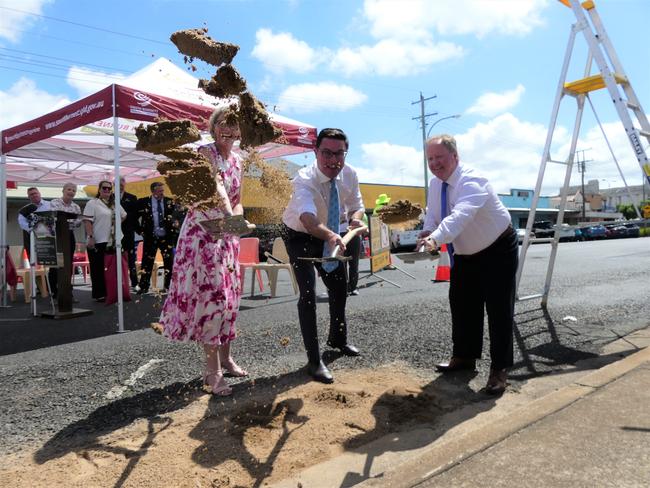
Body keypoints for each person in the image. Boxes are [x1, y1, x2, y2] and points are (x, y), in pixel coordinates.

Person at [416, 134, 518, 395]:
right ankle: (464, 357)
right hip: (464, 253)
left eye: (439, 157)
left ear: (455, 156)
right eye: (430, 158)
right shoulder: (435, 184)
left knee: (498, 309)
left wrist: (436, 238)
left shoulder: (472, 179)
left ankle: (499, 369)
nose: (434, 163)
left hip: (497, 248)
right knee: (462, 305)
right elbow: (434, 215)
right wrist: (427, 233)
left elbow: (460, 216)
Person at [158, 106, 248, 397]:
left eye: (235, 126)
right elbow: (216, 187)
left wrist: (236, 221)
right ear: (213, 126)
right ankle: (212, 373)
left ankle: (226, 358)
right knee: (212, 299)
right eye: (224, 123)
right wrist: (226, 215)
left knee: (230, 299)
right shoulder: (203, 153)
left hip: (227, 236)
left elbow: (237, 200)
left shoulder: (238, 160)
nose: (230, 130)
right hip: (202, 235)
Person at [282, 127, 365, 384]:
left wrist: (354, 220)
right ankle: (314, 361)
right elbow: (307, 219)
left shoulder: (349, 174)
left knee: (339, 287)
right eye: (326, 153)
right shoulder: (303, 179)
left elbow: (357, 205)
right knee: (308, 294)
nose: (333, 160)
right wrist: (330, 237)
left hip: (333, 233)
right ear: (315, 152)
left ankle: (337, 338)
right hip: (300, 235)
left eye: (339, 154)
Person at [82, 180, 127, 302]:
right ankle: (99, 294)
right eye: (104, 188)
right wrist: (90, 237)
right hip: (98, 240)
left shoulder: (114, 203)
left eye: (109, 188)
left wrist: (114, 225)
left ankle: (112, 291)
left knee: (113, 268)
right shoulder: (93, 203)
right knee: (97, 268)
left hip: (113, 240)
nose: (106, 190)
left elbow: (124, 215)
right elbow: (87, 221)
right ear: (99, 189)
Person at [136, 182, 175, 293]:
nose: (162, 193)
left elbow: (176, 217)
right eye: (159, 191)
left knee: (169, 262)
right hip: (150, 237)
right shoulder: (144, 202)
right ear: (153, 191)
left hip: (166, 237)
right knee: (147, 262)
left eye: (163, 190)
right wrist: (140, 231)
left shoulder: (169, 201)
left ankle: (169, 286)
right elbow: (133, 217)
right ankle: (143, 287)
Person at [49, 183, 82, 298]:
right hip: (56, 236)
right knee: (56, 264)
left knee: (68, 264)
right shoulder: (55, 202)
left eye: (74, 190)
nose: (71, 192)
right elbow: (54, 218)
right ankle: (54, 293)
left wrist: (69, 221)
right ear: (63, 190)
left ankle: (68, 293)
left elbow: (78, 223)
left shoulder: (76, 207)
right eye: (69, 189)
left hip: (69, 235)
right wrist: (69, 220)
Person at [117, 177, 140, 289]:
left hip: (128, 232)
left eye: (121, 183)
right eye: (117, 184)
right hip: (114, 233)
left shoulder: (132, 198)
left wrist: (124, 217)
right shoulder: (109, 197)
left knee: (131, 259)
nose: (120, 186)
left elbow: (135, 215)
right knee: (115, 258)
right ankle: (118, 282)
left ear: (124, 184)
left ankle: (135, 283)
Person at [17, 187, 51, 259]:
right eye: (31, 194)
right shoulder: (24, 210)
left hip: (50, 238)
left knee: (50, 260)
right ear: (28, 197)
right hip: (33, 239)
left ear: (39, 194)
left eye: (35, 193)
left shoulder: (50, 205)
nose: (34, 195)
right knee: (34, 260)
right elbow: (21, 222)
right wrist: (34, 229)